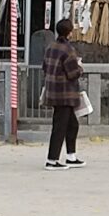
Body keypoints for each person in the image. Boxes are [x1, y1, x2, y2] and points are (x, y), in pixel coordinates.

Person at [41, 17, 84, 168]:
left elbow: (45, 67)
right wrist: (80, 67)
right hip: (65, 94)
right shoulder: (68, 50)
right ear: (69, 33)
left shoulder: (50, 47)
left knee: (72, 124)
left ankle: (71, 156)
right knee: (60, 126)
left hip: (53, 90)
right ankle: (52, 160)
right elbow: (73, 73)